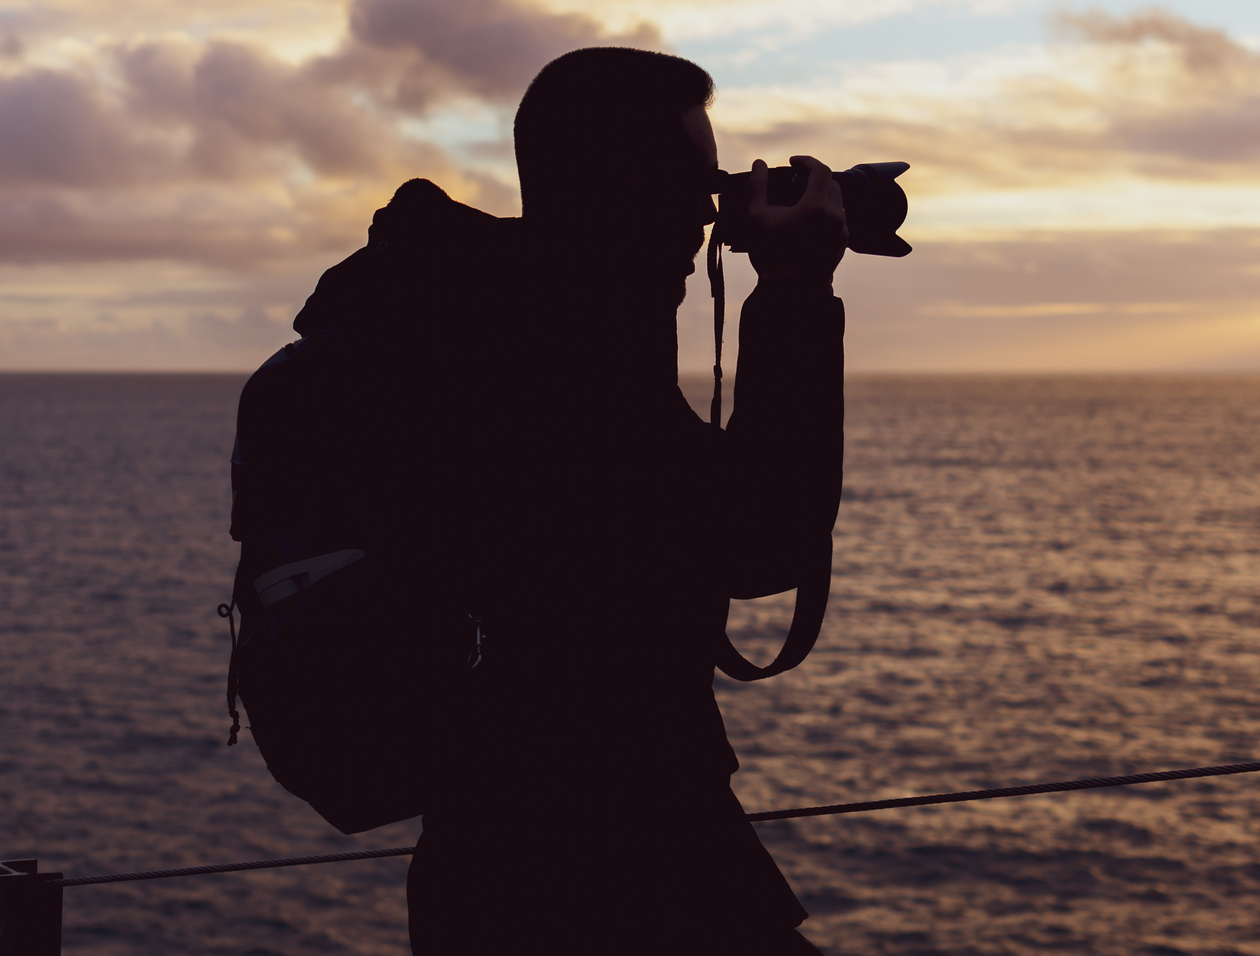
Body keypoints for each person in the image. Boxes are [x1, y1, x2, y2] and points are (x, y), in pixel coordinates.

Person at [237, 47, 847, 954]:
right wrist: (793, 293)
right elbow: (761, 542)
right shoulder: (564, 360)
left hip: (480, 871)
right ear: (627, 184)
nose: (708, 218)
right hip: (623, 871)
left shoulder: (459, 323)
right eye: (697, 184)